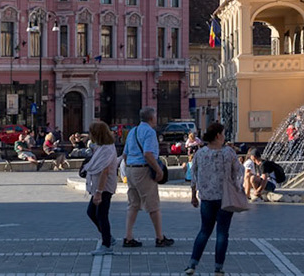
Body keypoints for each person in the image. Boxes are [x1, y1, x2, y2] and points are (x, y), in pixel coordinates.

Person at [184, 122, 240, 276]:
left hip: (207, 199)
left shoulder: (200, 153)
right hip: (225, 199)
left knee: (204, 231)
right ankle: (218, 268)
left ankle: (192, 265)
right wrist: (237, 189)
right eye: (223, 133)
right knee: (222, 233)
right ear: (218, 136)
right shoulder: (228, 153)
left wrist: (193, 195)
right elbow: (238, 173)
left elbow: (194, 176)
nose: (224, 136)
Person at [120, 106, 172, 248]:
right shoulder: (149, 132)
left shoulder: (133, 131)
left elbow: (125, 154)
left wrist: (128, 169)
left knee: (133, 204)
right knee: (153, 205)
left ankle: (128, 237)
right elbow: (148, 154)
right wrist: (158, 171)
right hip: (143, 171)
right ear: (151, 118)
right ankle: (160, 237)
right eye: (155, 116)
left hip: (131, 169)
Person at [82, 120, 120, 256]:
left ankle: (106, 244)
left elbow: (104, 171)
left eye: (91, 133)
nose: (89, 135)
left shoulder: (107, 150)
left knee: (101, 215)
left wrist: (98, 192)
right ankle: (108, 237)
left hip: (104, 187)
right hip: (98, 186)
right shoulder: (102, 147)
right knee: (91, 212)